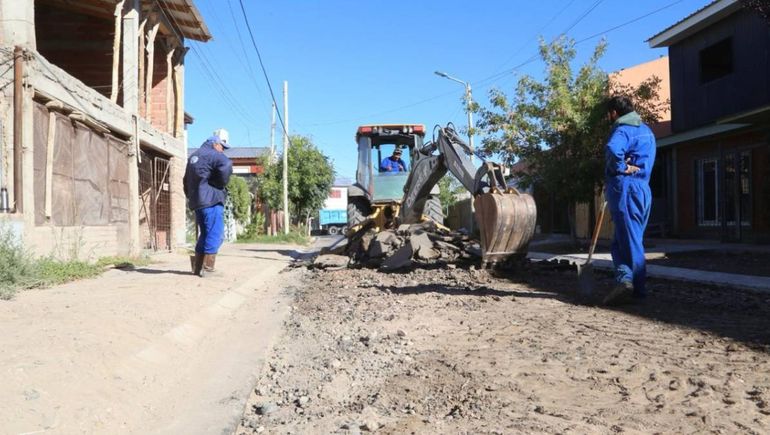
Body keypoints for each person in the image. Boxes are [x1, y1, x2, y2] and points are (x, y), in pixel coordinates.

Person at [602, 95, 656, 305]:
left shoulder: (623, 129)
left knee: (629, 241)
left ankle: (636, 289)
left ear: (614, 112)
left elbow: (613, 149)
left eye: (609, 114)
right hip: (643, 189)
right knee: (621, 242)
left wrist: (621, 167)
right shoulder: (647, 131)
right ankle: (625, 280)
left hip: (626, 188)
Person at [183, 134, 233, 277]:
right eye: (222, 147)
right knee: (216, 234)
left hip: (198, 202)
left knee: (205, 234)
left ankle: (197, 268)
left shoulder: (193, 157)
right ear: (215, 144)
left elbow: (185, 180)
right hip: (211, 200)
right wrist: (219, 184)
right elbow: (227, 165)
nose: (222, 150)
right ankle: (208, 269)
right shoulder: (213, 154)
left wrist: (191, 196)